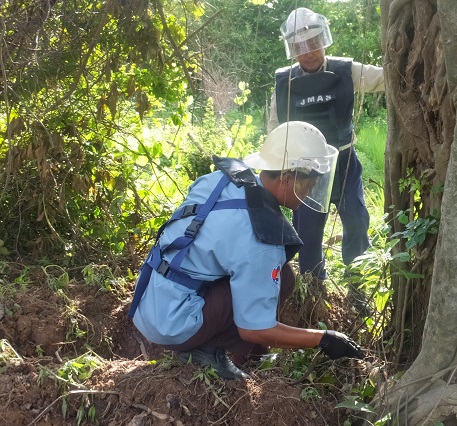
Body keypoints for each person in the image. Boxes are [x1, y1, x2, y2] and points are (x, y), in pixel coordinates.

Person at [128, 121, 364, 380]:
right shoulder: (260, 239)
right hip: (173, 324)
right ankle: (205, 351)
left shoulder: (221, 179)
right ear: (287, 179)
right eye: (309, 186)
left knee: (281, 277)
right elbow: (255, 329)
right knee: (277, 283)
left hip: (150, 298)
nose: (309, 194)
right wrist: (323, 339)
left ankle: (251, 355)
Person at [267, 7, 385, 300]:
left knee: (357, 221)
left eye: (313, 43)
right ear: (292, 49)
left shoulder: (346, 70)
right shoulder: (285, 82)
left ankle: (358, 291)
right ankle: (313, 293)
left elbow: (386, 78)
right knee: (307, 232)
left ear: (324, 41)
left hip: (344, 163)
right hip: (305, 171)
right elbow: (274, 129)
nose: (308, 52)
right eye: (300, 46)